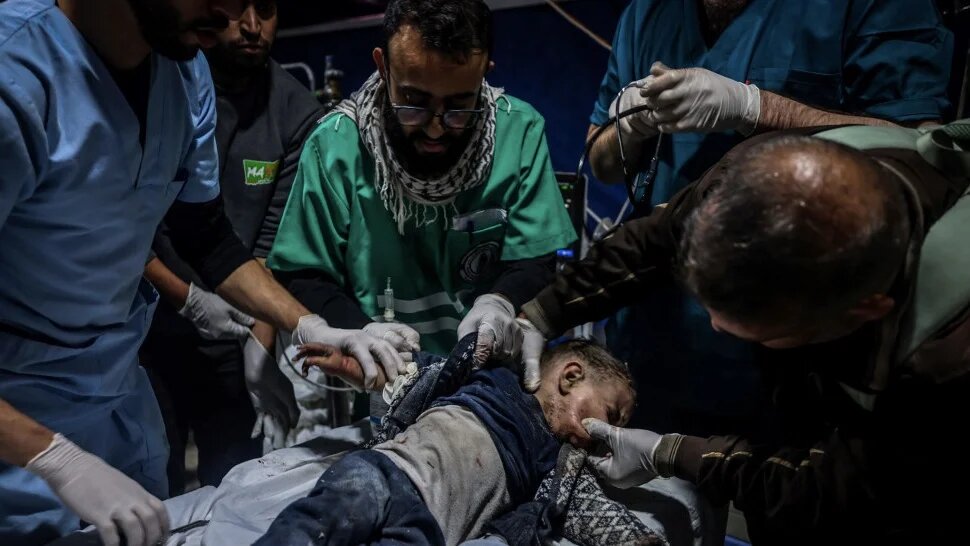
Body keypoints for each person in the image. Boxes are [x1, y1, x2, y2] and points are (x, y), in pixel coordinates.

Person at [0, 1, 403, 545]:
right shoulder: (16, 76)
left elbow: (207, 236)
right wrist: (53, 456)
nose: (233, 11)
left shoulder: (184, 71)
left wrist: (307, 324)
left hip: (115, 388)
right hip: (17, 414)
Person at [509, 131, 969, 543]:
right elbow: (651, 243)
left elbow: (829, 487)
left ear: (862, 312)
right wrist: (543, 313)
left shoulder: (942, 361)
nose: (714, 327)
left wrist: (669, 452)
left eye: (761, 328)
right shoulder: (748, 180)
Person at [583, 0, 955, 437]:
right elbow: (602, 160)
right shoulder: (647, 13)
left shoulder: (872, 8)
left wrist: (757, 108)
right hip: (657, 339)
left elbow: (918, 151)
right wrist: (627, 126)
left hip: (792, 357)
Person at [266, 0, 577, 373]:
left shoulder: (519, 132)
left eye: (460, 105)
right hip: (387, 376)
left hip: (489, 372)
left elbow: (535, 258)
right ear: (383, 68)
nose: (435, 127)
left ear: (484, 74)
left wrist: (500, 302)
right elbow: (304, 273)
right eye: (414, 102)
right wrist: (361, 334)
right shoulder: (335, 146)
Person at [140, 0, 326, 495]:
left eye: (266, 8)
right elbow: (129, 225)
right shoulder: (166, 83)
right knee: (150, 487)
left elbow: (264, 243)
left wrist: (263, 339)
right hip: (142, 328)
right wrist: (186, 297)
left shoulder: (295, 110)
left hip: (232, 332)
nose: (250, 25)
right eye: (233, 5)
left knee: (234, 488)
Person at [255, 338, 636, 546]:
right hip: (385, 471)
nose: (610, 438)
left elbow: (585, 508)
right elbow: (414, 374)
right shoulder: (494, 379)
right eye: (612, 415)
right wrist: (359, 368)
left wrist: (633, 540)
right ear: (570, 377)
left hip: (432, 526)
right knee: (315, 523)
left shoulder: (558, 461)